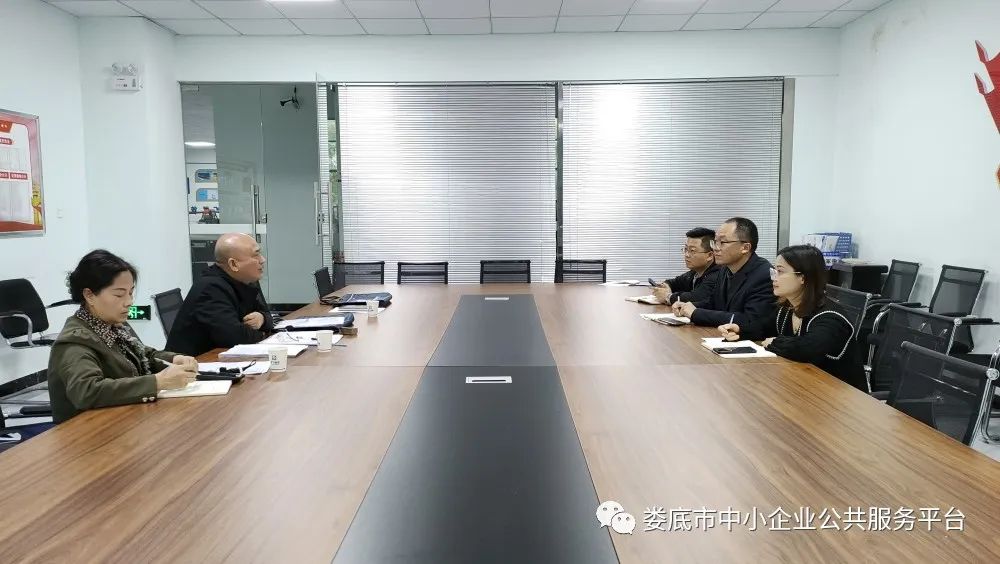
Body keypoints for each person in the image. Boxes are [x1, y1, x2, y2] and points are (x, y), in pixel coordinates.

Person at [47, 250, 198, 423]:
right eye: (119, 294)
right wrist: (157, 382)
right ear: (89, 295)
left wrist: (175, 359)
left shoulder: (115, 326)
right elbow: (87, 391)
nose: (129, 302)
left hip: (125, 419)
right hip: (90, 430)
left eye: (130, 293)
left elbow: (143, 355)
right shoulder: (75, 342)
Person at [717, 245, 867, 391]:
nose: (774, 278)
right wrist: (740, 330)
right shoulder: (787, 309)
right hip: (805, 387)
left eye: (780, 272)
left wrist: (775, 342)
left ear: (802, 277)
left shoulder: (830, 317)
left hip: (839, 396)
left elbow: (807, 348)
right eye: (774, 271)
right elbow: (763, 327)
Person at [166, 232, 274, 356]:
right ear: (234, 264)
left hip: (225, 358)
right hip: (194, 363)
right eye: (256, 255)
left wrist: (262, 318)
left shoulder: (247, 280)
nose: (262, 260)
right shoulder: (210, 289)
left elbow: (268, 316)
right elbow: (235, 337)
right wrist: (263, 334)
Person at [672, 217, 775, 337]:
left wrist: (696, 313)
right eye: (715, 242)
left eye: (723, 242)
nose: (715, 248)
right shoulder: (725, 268)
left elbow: (749, 320)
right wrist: (688, 306)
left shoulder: (764, 275)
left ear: (745, 248)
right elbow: (714, 303)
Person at [652, 227, 721, 305]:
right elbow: (674, 282)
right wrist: (666, 287)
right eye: (686, 249)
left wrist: (668, 297)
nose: (686, 255)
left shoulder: (717, 275)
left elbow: (696, 297)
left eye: (692, 251)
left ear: (710, 255)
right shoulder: (695, 273)